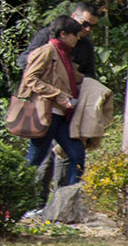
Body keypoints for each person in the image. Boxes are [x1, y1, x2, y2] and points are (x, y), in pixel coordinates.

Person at [18, 18, 88, 187]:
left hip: (61, 116)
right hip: (46, 114)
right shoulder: (47, 51)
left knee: (77, 155)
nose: (78, 39)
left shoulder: (63, 54)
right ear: (63, 34)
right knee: (33, 161)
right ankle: (12, 205)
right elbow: (30, 79)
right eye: (75, 35)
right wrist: (58, 95)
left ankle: (69, 202)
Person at [19, 2, 102, 80]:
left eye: (92, 26)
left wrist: (79, 77)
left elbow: (90, 75)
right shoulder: (47, 34)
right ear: (73, 17)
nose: (88, 29)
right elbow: (23, 61)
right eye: (85, 24)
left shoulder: (86, 45)